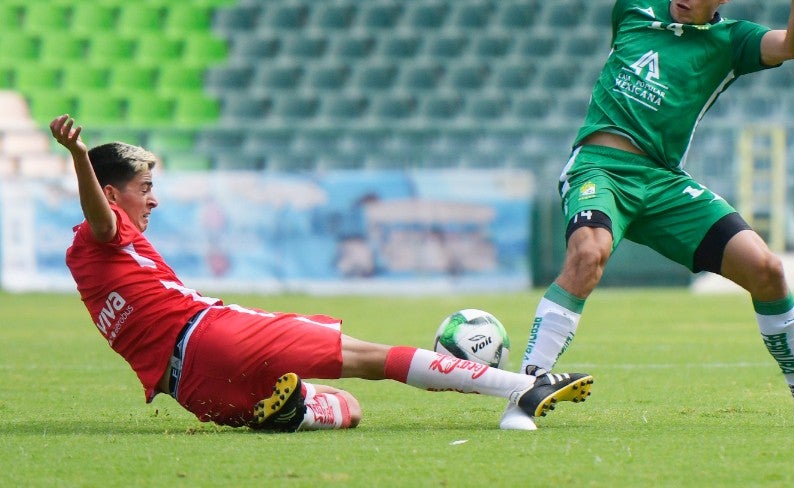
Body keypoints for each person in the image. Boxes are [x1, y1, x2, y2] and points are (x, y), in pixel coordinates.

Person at [500, 0, 794, 431]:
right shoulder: (632, 8)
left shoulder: (730, 42)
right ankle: (523, 394)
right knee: (589, 253)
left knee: (766, 270)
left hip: (662, 182)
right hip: (599, 166)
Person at [49, 114, 593, 432]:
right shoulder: (107, 228)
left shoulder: (86, 261)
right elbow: (100, 215)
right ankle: (524, 387)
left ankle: (294, 415)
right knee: (369, 358)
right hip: (212, 336)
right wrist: (78, 155)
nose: (155, 201)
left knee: (348, 410)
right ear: (113, 193)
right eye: (145, 189)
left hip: (192, 391)